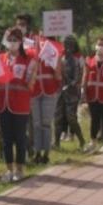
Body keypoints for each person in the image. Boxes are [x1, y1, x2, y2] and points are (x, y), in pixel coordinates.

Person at [0, 27, 36, 182]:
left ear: (21, 42)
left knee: (19, 137)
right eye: (9, 40)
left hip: (20, 104)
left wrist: (33, 72)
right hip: (2, 103)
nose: (12, 43)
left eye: (15, 40)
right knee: (6, 138)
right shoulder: (0, 58)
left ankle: (20, 169)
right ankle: (9, 169)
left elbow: (30, 84)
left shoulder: (28, 60)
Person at [26, 21, 62, 164]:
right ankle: (37, 152)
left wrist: (57, 60)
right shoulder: (30, 47)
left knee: (46, 123)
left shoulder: (53, 48)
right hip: (34, 89)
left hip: (49, 88)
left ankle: (45, 153)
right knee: (36, 123)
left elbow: (58, 74)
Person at [82, 39, 103, 153]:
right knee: (94, 120)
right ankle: (93, 142)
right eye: (99, 44)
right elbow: (85, 76)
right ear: (95, 46)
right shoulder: (90, 60)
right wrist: (83, 90)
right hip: (92, 95)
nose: (100, 47)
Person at [54, 34, 85, 151]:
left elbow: (78, 76)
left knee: (71, 117)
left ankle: (81, 140)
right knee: (58, 117)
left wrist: (71, 84)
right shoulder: (60, 58)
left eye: (71, 44)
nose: (68, 46)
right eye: (66, 44)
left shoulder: (76, 59)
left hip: (72, 92)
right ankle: (56, 143)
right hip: (60, 92)